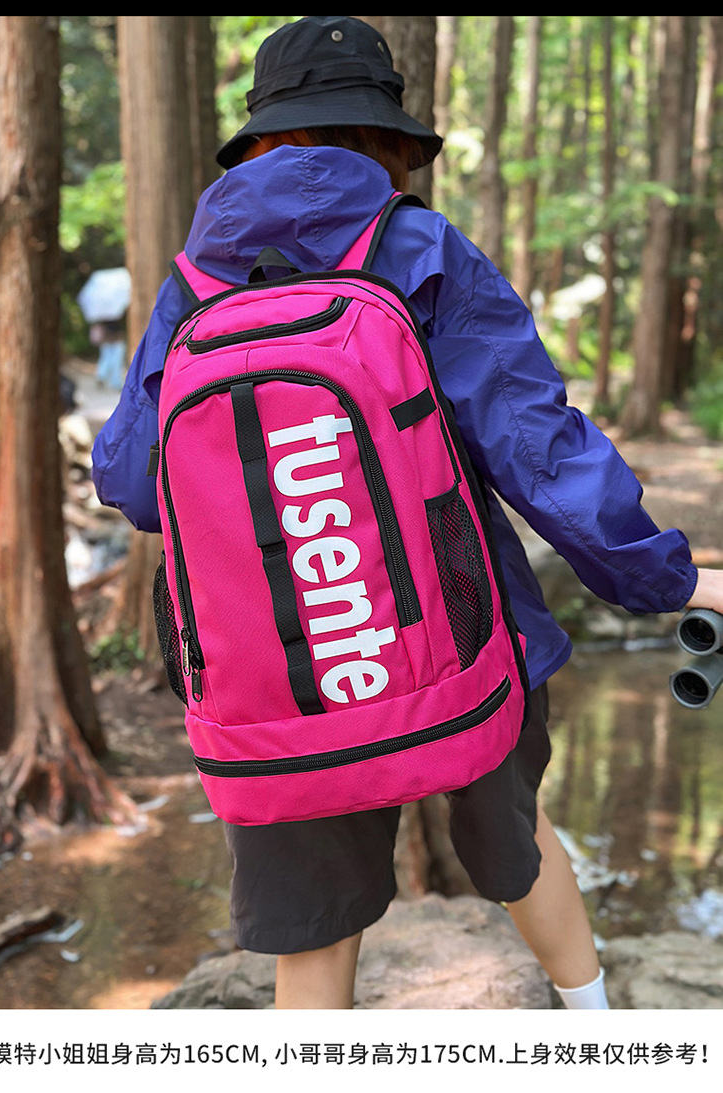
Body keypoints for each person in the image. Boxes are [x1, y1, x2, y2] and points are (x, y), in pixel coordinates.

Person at [92, 16, 723, 1010]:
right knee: (518, 844)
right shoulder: (420, 246)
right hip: (466, 639)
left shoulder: (193, 283)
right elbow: (535, 447)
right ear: (385, 138)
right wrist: (666, 578)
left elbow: (130, 482)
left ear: (260, 139)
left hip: (276, 676)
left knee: (315, 924)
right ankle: (602, 1038)